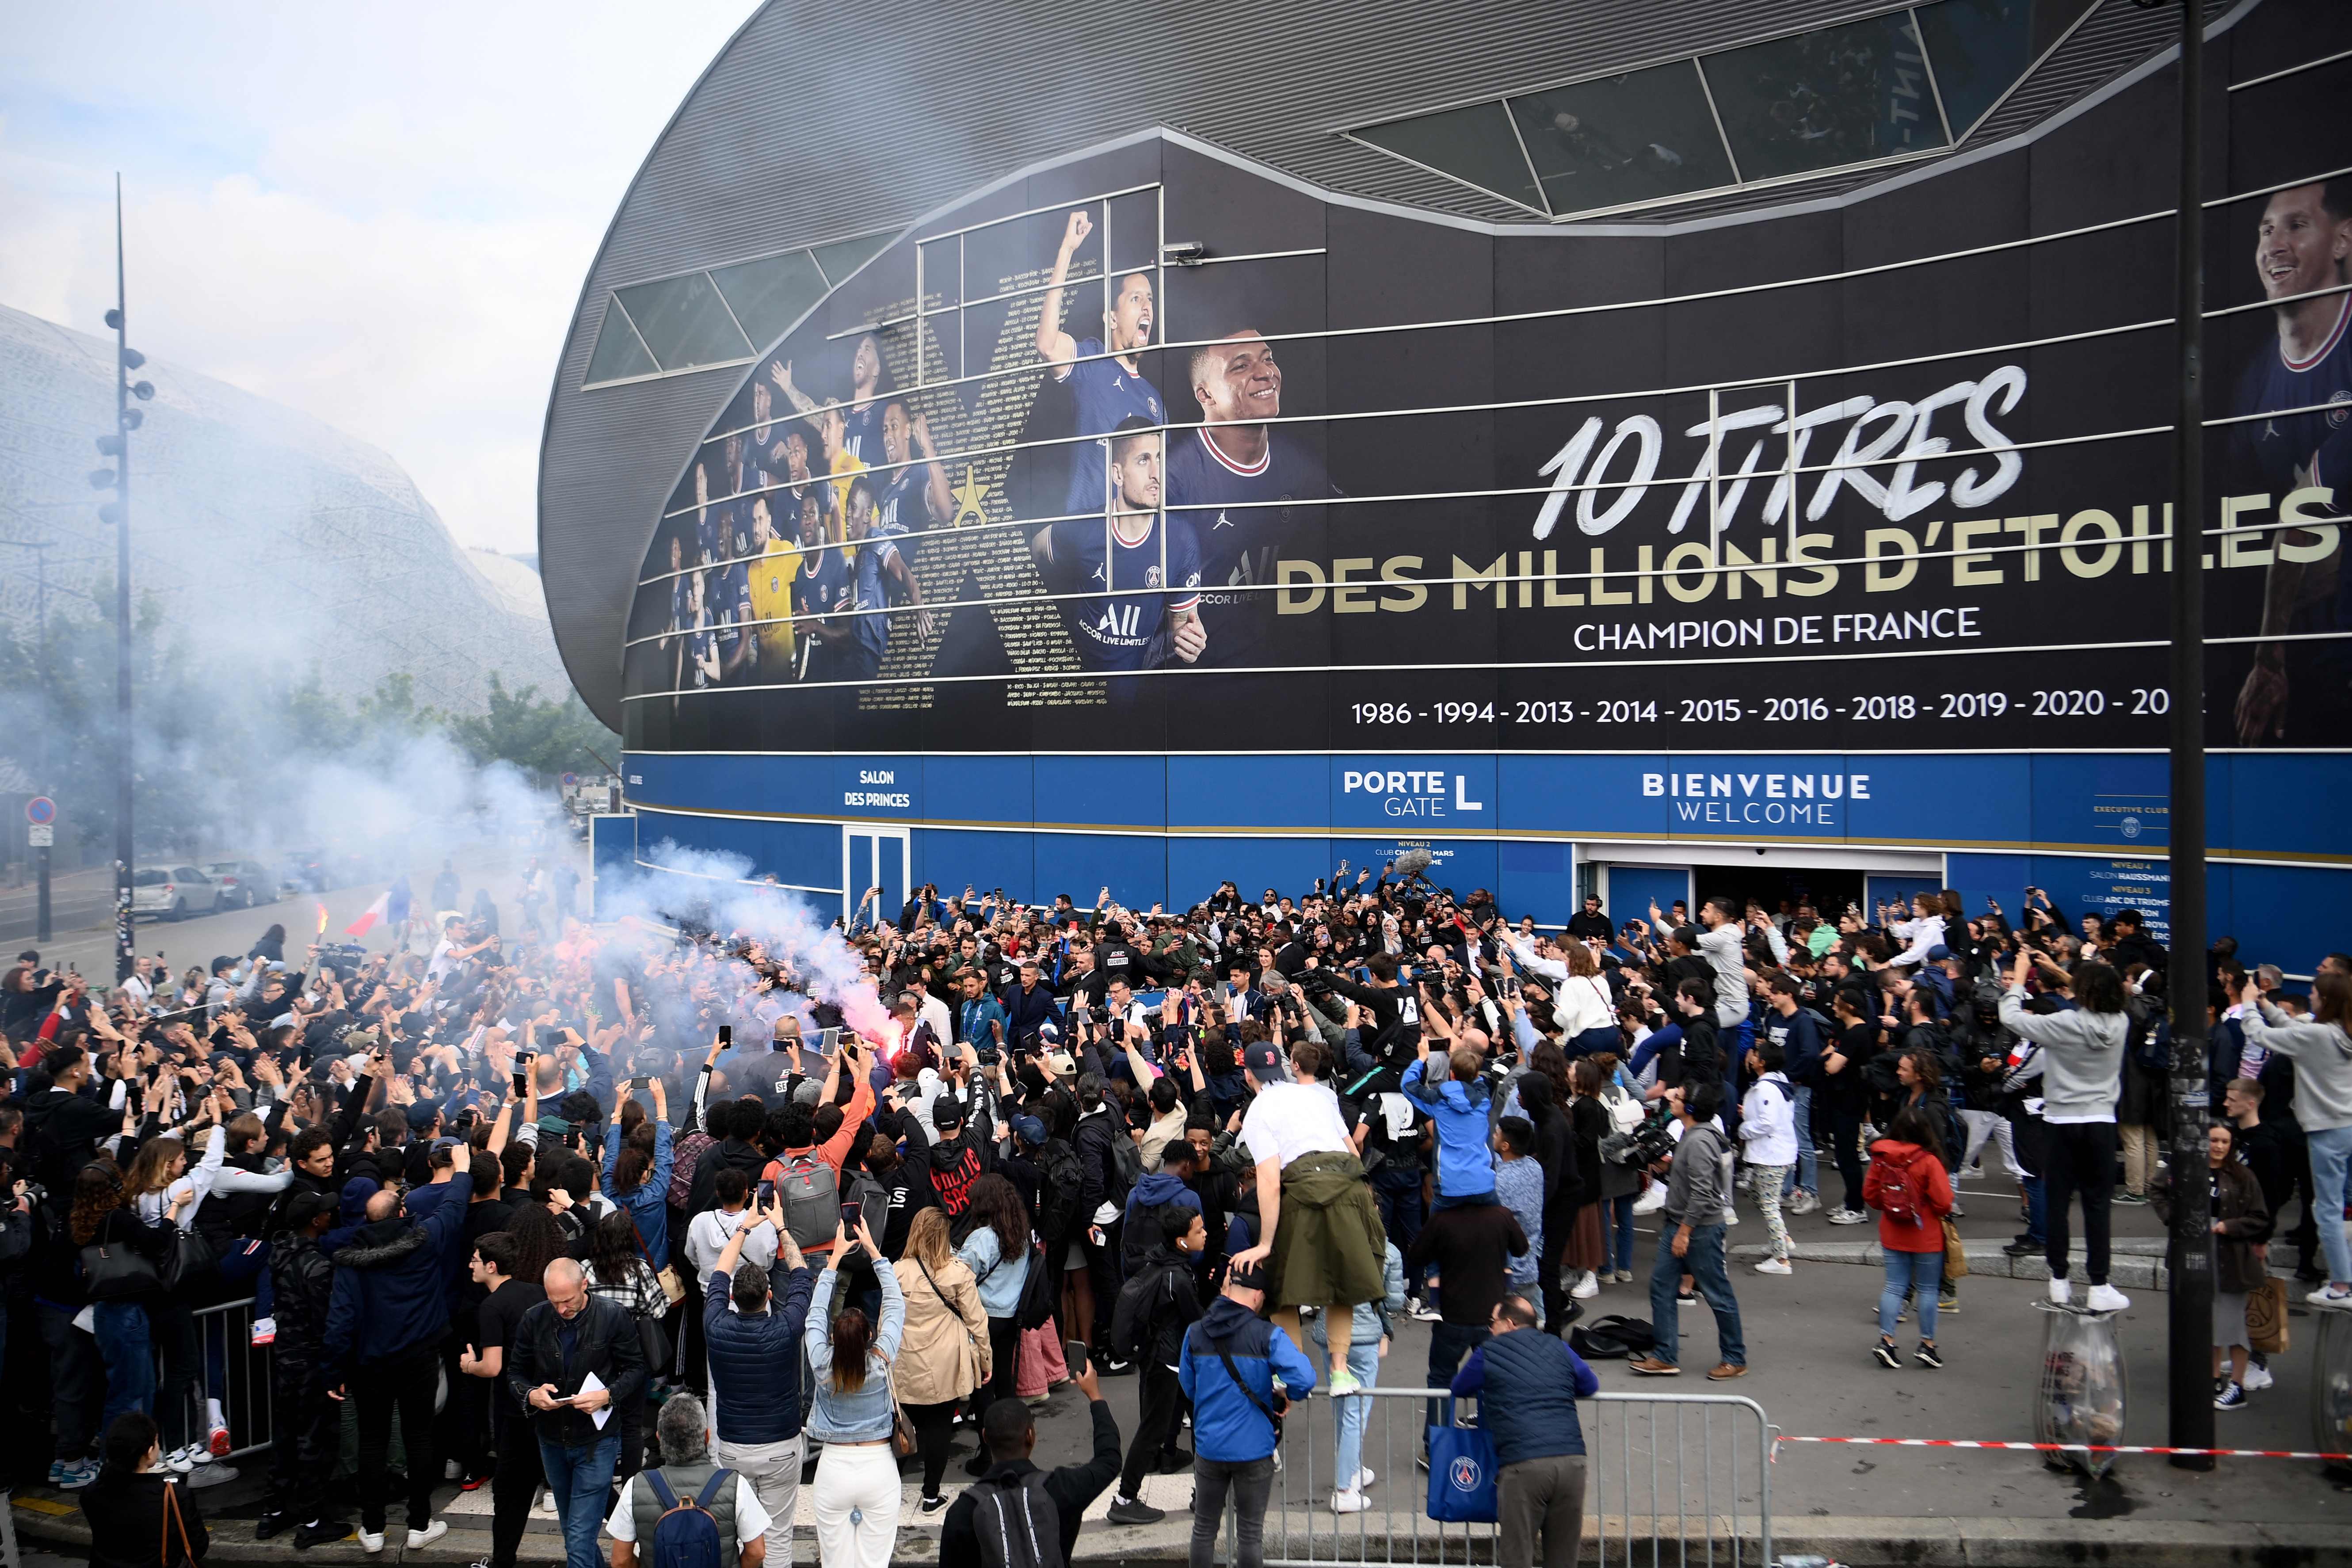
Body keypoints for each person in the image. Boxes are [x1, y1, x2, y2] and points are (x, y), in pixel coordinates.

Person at [1229, 1037, 1387, 1396]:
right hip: (1348, 1186)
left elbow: (1268, 1181)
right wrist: (1366, 1195)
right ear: (1283, 1067)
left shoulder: (1257, 1112)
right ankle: (1340, 1372)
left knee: (1282, 1286)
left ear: (1248, 1074)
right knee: (1342, 1284)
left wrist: (1266, 1243)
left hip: (1301, 1187)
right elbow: (1352, 1148)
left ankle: (1292, 1368)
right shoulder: (1318, 1094)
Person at [1998, 950, 2132, 1312]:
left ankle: (2059, 1279)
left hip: (2060, 1123)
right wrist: (2058, 970)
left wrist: (2023, 973)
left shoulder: (2062, 1022)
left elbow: (2009, 1015)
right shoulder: (2120, 1022)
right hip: (2101, 1122)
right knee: (2097, 1205)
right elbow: (2096, 994)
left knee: (2057, 1202)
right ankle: (2099, 1284)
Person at [1032, 419, 1206, 671]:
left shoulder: (1180, 539)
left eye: (1160, 458)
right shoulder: (1081, 528)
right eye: (1143, 460)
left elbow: (1182, 622)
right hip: (1074, 692)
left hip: (1132, 698)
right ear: (1118, 474)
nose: (1156, 473)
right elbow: (1034, 554)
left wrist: (1190, 640)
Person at [507, 1257, 648, 1568]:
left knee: (579, 1537)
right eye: (553, 1301)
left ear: (584, 1284)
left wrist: (607, 1395)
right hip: (552, 1439)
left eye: (568, 1300)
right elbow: (515, 1373)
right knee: (576, 1534)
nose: (561, 1309)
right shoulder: (534, 1319)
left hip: (596, 1441)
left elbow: (637, 1369)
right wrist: (532, 1394)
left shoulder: (612, 1315)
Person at [1177, 1259, 1317, 1568]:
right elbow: (1305, 1378)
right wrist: (1285, 1394)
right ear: (1256, 1295)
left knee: (1203, 1530)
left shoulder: (1195, 1332)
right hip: (1254, 1450)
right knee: (1250, 1536)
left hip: (1210, 1447)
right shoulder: (1267, 1335)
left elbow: (1188, 1386)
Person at [702, 1189, 816, 1568]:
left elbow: (719, 1272)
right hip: (781, 1444)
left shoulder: (716, 1325)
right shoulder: (786, 1327)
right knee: (779, 1533)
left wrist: (743, 1230)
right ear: (769, 1294)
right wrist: (781, 1226)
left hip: (733, 1445)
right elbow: (801, 1274)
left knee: (738, 1532)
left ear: (733, 1296)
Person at [1450, 1293, 1600, 1568]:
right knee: (1564, 1559)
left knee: (1517, 1557)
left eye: (1492, 1323)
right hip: (1572, 1462)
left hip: (1523, 1465)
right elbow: (1589, 1385)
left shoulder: (1489, 1352)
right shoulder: (1558, 1346)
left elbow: (1460, 1387)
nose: (1489, 1329)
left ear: (1509, 1324)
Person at [1035, 208, 1163, 524]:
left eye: (1150, 299)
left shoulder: (1154, 399)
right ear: (1112, 318)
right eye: (1135, 299)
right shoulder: (1093, 360)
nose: (1147, 306)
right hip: (1088, 537)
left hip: (1135, 541)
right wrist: (1067, 250)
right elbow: (1047, 344)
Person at [938, 1352, 1121, 1568]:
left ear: (986, 1437)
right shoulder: (1062, 1488)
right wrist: (1095, 1396)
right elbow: (1109, 1460)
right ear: (1031, 1436)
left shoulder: (962, 1511)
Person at [2235, 970, 2352, 1306]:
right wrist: (2263, 1003)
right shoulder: (2338, 1032)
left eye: (2314, 993)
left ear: (2326, 1000)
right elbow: (2294, 1028)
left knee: (2326, 1209)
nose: (2310, 996)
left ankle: (2341, 1286)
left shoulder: (2318, 1035)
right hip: (2347, 1126)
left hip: (2325, 1131)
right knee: (2341, 1204)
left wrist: (2248, 1006)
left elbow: (2260, 1035)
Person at [803, 1212, 905, 1568]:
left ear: (833, 1337)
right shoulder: (881, 1361)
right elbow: (894, 1302)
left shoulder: (821, 1363)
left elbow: (814, 1312)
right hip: (879, 1467)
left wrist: (833, 1259)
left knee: (835, 1558)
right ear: (870, 1336)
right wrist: (875, 1252)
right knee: (875, 1560)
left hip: (833, 1467)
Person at [2151, 1121, 2272, 1409]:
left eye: (2225, 1141)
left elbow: (2259, 1217)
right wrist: (2173, 1217)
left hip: (2232, 1259)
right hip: (2193, 1254)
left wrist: (2226, 1226)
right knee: (2206, 1323)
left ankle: (2237, 1386)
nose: (2218, 1146)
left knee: (2232, 1327)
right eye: (2214, 1140)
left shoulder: (2242, 1175)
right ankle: (2213, 1378)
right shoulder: (2185, 1167)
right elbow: (2157, 1190)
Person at [1628, 1081, 1746, 1379]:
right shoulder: (1691, 1135)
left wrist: (1684, 1232)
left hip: (1697, 1229)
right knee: (1661, 1286)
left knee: (1718, 1294)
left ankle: (1735, 1357)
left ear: (1690, 1108)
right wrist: (1666, 1165)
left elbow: (1703, 1192)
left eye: (1678, 1097)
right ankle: (1665, 1355)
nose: (1671, 1098)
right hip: (1680, 1224)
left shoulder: (1698, 1141)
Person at [1105, 1207, 1207, 1525]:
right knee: (1159, 1430)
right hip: (1172, 1363)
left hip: (1162, 1359)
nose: (1204, 1234)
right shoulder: (1178, 1278)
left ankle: (1201, 1490)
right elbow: (1198, 1322)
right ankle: (1125, 1498)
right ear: (1181, 1241)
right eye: (1199, 1231)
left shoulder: (1161, 1263)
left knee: (1182, 1425)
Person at [895, 1206, 991, 1514]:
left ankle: (888, 1490)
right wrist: (985, 1361)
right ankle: (931, 1495)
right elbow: (978, 1322)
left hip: (906, 1360)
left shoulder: (897, 1271)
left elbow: (887, 1322)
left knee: (901, 1426)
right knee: (937, 1427)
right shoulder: (958, 1272)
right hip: (944, 1361)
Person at [603, 1394, 770, 1568]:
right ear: (707, 1437)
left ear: (660, 1438)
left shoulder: (635, 1487)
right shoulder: (735, 1484)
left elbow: (621, 1561)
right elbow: (757, 1552)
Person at [1864, 1104, 1955, 1370]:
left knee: (1894, 1286)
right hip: (1925, 1234)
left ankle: (1887, 1341)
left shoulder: (1881, 1157)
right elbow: (1944, 1203)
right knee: (1928, 1290)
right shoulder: (1929, 1160)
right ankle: (1927, 1345)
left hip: (1892, 1231)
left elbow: (1870, 1196)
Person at [951, 1171, 1031, 1469]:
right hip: (1010, 1316)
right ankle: (1013, 1448)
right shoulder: (1020, 1232)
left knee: (982, 1387)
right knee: (1004, 1382)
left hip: (982, 1319)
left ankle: (988, 1454)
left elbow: (959, 1277)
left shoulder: (982, 1237)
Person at [84, 1411, 209, 1568]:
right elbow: (198, 1547)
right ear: (149, 1453)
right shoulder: (175, 1496)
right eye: (156, 1442)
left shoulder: (91, 1493)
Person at [1738, 1038, 1798, 1276]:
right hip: (1776, 1152)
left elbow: (1767, 1123)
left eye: (1755, 1054)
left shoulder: (1766, 1088)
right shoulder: (1778, 1082)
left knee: (1769, 1205)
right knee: (1758, 1194)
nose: (1751, 1056)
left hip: (1771, 1154)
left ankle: (1781, 1259)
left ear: (1761, 1062)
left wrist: (1744, 1129)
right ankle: (1782, 1239)